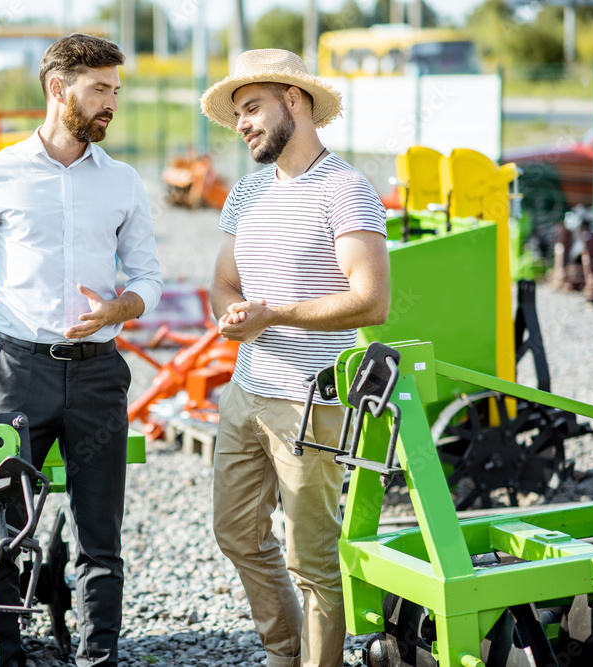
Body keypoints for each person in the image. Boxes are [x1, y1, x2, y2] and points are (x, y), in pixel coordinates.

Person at [0, 33, 162, 667]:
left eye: (115, 92)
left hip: (100, 375)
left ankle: (98, 658)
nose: (111, 104)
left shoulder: (124, 182)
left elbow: (148, 277)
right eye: (99, 90)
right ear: (58, 88)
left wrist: (121, 308)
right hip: (19, 374)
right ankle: (8, 655)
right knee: (4, 529)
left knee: (100, 536)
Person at [200, 49, 391, 667]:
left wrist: (273, 313)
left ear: (295, 100)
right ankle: (284, 649)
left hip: (312, 402)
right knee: (234, 532)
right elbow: (223, 281)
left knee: (310, 560)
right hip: (246, 389)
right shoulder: (247, 192)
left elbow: (371, 301)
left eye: (252, 108)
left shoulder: (346, 190)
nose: (244, 124)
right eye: (237, 116)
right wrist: (232, 314)